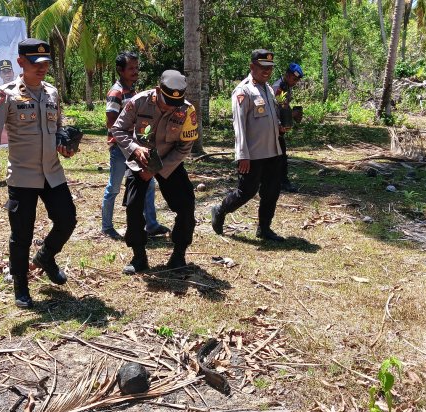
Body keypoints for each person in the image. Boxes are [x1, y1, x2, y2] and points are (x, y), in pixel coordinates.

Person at [0, 38, 77, 309]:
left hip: (53, 173)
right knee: (21, 234)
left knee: (67, 220)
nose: (42, 69)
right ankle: (20, 284)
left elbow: (57, 127)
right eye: (36, 64)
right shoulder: (5, 94)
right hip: (23, 176)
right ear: (21, 62)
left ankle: (46, 256)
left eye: (46, 64)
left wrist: (65, 144)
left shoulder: (52, 93)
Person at [112, 70, 199, 274]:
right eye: (167, 100)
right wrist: (135, 149)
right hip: (140, 160)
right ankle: (139, 256)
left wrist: (158, 169)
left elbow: (185, 146)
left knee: (186, 205)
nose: (170, 106)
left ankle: (179, 254)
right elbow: (118, 129)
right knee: (133, 207)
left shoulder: (186, 110)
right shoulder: (139, 101)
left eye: (175, 103)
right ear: (158, 90)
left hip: (170, 161)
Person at [210, 49, 285, 242]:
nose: (266, 71)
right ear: (252, 67)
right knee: (246, 192)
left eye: (269, 68)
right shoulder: (243, 91)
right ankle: (220, 210)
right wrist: (242, 155)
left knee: (271, 191)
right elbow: (239, 126)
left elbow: (270, 117)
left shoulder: (268, 89)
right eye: (262, 67)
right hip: (253, 154)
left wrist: (279, 127)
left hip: (273, 150)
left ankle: (264, 228)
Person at [101, 51, 169, 241]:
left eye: (137, 68)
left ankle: (151, 224)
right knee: (114, 187)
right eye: (131, 68)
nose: (135, 71)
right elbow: (111, 123)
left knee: (148, 183)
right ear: (120, 70)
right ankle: (106, 227)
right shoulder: (116, 92)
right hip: (120, 147)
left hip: (135, 146)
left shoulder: (133, 91)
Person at [271, 62, 304, 192]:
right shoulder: (279, 87)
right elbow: (277, 109)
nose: (295, 82)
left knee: (279, 156)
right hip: (273, 127)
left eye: (297, 80)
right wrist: (292, 114)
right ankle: (282, 182)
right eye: (294, 79)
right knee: (280, 156)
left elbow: (283, 106)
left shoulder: (286, 87)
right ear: (287, 75)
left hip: (279, 127)